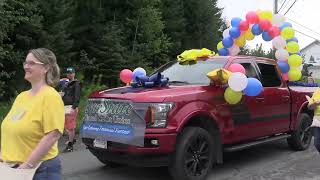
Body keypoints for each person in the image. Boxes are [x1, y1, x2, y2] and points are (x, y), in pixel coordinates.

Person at [0, 48, 64, 179]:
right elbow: (11, 128)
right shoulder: (22, 97)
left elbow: (53, 134)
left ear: (46, 68)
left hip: (38, 170)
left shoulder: (50, 96)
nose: (26, 66)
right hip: (11, 168)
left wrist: (27, 166)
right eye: (25, 63)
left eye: (31, 63)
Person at [61, 67, 81, 152]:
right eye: (68, 73)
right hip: (64, 106)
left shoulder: (77, 83)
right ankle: (72, 139)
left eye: (71, 73)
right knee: (64, 126)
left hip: (71, 107)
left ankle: (70, 146)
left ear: (74, 74)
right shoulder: (65, 83)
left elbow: (77, 96)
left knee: (70, 127)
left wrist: (74, 107)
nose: (69, 74)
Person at [307, 88, 320, 153]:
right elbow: (309, 107)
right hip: (318, 122)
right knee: (317, 143)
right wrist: (315, 104)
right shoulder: (317, 92)